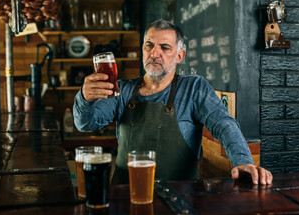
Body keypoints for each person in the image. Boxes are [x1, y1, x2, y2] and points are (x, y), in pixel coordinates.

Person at [73, 19, 273, 185]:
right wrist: (84, 98)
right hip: (125, 197)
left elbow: (223, 124)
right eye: (149, 45)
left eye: (164, 47)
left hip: (179, 200)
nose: (154, 53)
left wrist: (243, 161)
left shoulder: (194, 88)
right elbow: (85, 124)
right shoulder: (122, 90)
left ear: (180, 56)